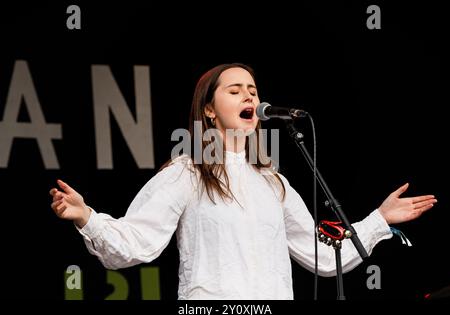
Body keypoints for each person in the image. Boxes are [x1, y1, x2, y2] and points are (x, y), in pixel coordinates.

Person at [49, 63, 437, 299]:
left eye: (252, 90)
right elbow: (135, 244)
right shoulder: (188, 171)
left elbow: (322, 256)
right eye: (234, 90)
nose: (248, 95)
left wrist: (379, 220)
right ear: (209, 110)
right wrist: (88, 217)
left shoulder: (274, 183)